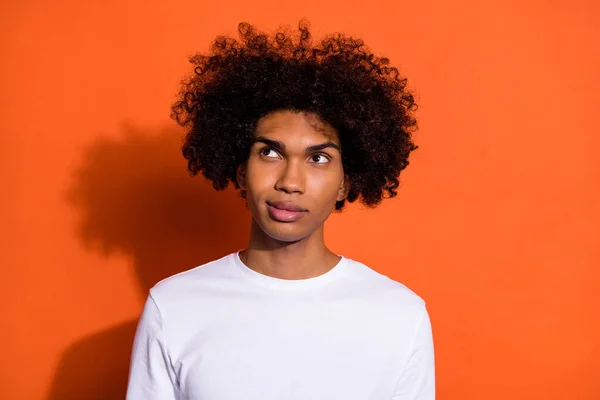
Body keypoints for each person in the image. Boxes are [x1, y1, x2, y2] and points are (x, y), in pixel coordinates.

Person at [126, 20, 435, 400]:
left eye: (318, 158)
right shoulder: (173, 307)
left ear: (345, 183)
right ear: (241, 170)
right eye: (269, 152)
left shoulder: (400, 316)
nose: (290, 181)